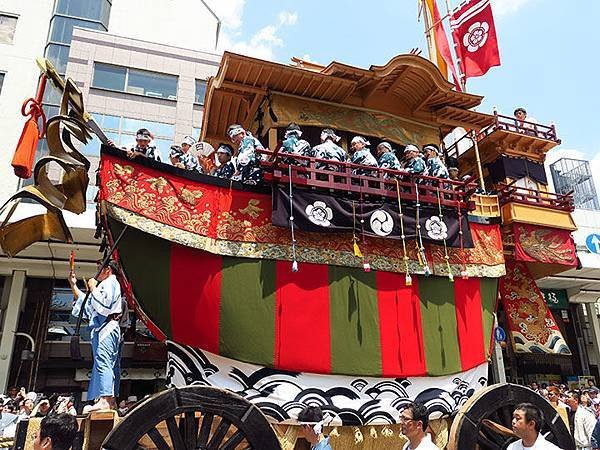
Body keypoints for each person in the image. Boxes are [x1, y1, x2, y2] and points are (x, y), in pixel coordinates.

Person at [69, 260, 123, 413]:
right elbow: (87, 304)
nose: (97, 271)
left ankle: (106, 399)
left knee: (104, 362)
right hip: (103, 328)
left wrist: (93, 288)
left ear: (108, 270)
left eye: (100, 268)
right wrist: (74, 285)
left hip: (107, 326)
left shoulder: (111, 282)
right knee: (106, 363)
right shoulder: (105, 285)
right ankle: (108, 399)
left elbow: (104, 306)